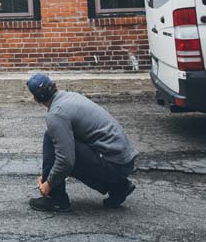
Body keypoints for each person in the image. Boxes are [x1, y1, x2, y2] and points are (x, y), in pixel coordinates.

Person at [27, 73, 138, 212]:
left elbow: (66, 160)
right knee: (63, 144)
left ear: (36, 99)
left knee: (51, 138)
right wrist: (47, 176)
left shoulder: (56, 114)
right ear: (55, 86)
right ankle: (118, 187)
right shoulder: (70, 96)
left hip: (114, 164)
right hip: (123, 160)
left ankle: (56, 199)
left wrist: (49, 183)